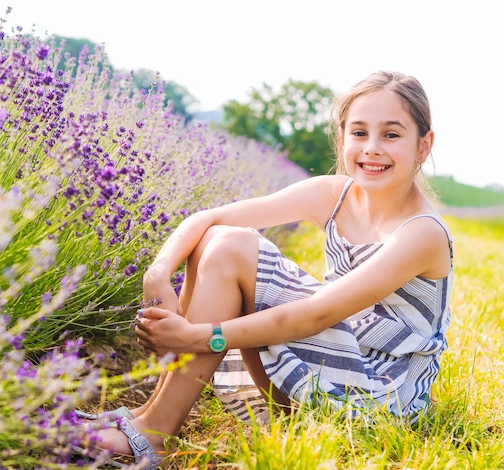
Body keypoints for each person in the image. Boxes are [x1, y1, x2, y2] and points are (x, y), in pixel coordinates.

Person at [83, 70, 454, 468]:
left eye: (392, 135)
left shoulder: (421, 233)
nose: (372, 148)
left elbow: (317, 314)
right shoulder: (335, 194)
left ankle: (154, 434)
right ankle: (149, 419)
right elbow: (210, 218)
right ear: (342, 138)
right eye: (359, 133)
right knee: (219, 239)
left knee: (232, 248)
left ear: (423, 145)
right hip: (330, 363)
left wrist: (197, 336)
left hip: (376, 401)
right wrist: (156, 274)